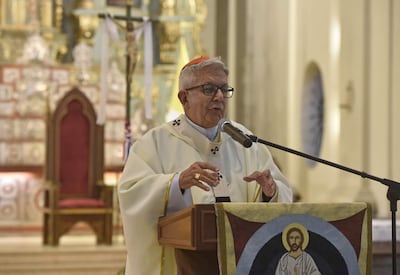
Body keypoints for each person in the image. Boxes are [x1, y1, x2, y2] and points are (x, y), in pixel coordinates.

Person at [118, 56, 293, 275]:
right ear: (184, 98)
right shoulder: (156, 143)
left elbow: (280, 192)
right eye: (209, 89)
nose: (219, 96)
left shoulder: (245, 140)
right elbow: (130, 192)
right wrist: (176, 183)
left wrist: (269, 192)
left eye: (223, 89)